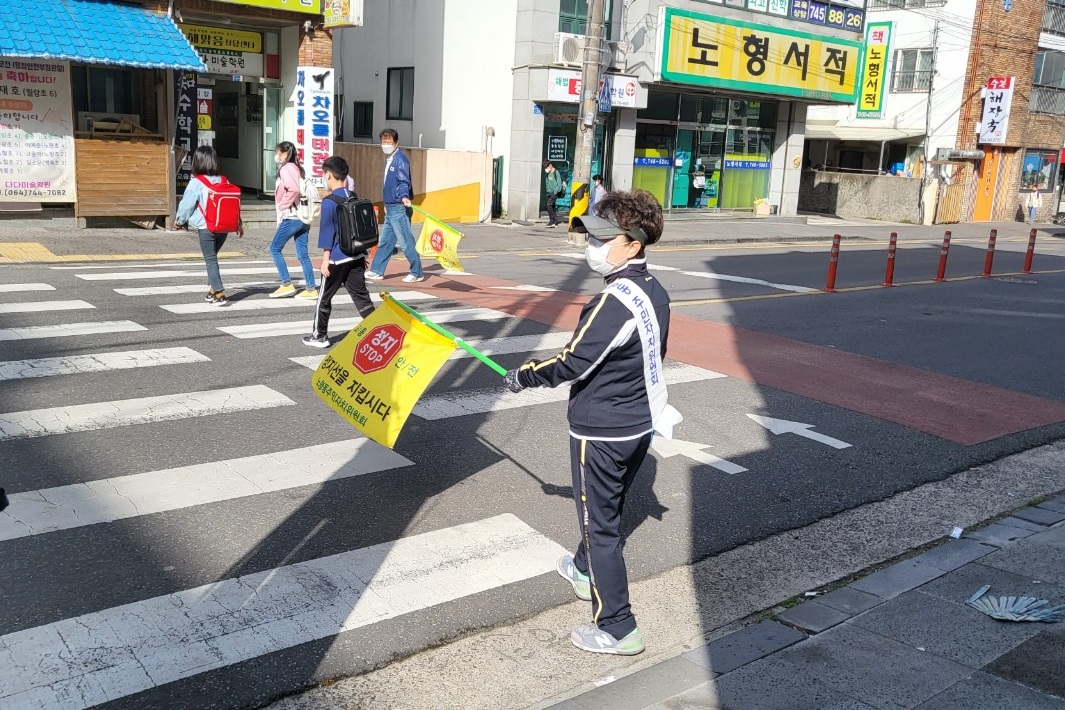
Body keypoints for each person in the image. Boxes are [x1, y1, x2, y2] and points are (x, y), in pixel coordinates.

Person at [504, 190, 680, 656]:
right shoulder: (654, 292)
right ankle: (583, 569)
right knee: (607, 507)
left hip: (601, 431)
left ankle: (618, 627)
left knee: (601, 526)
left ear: (633, 245)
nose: (592, 245)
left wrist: (525, 375)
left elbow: (572, 363)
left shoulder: (612, 303)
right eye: (592, 235)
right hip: (638, 423)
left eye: (604, 238)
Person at [303, 156, 375, 348]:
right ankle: (378, 329)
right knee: (361, 296)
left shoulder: (329, 201)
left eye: (324, 175)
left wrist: (325, 260)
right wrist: (362, 253)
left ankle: (319, 336)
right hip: (356, 256)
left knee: (324, 297)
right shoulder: (353, 195)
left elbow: (328, 233)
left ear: (328, 175)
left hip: (337, 258)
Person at [175, 145, 242, 307]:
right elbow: (233, 205)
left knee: (210, 259)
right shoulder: (224, 180)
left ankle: (219, 293)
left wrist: (179, 220)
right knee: (212, 258)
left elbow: (186, 205)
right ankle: (212, 291)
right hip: (225, 227)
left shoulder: (196, 182)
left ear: (197, 162)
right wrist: (239, 223)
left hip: (207, 227)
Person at [366, 129, 425, 283]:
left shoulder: (400, 159)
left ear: (396, 143)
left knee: (406, 241)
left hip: (399, 207)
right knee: (386, 241)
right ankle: (377, 270)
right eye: (383, 142)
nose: (385, 145)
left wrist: (404, 197)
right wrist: (387, 203)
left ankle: (417, 271)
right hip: (391, 207)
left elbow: (404, 181)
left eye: (389, 142)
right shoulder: (390, 159)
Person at [268, 142, 318, 299]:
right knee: (303, 254)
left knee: (275, 249)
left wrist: (283, 205)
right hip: (303, 218)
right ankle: (311, 289)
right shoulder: (297, 168)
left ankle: (286, 284)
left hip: (292, 217)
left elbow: (294, 189)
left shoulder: (286, 168)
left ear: (284, 154)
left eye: (277, 153)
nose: (276, 156)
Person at [544, 160, 564, 228]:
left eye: (547, 167)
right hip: (550, 192)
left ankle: (552, 221)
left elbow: (559, 184)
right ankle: (555, 221)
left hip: (555, 192)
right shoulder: (548, 173)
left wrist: (555, 192)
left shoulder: (556, 172)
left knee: (548, 205)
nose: (546, 169)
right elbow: (547, 182)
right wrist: (548, 191)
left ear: (550, 165)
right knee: (552, 206)